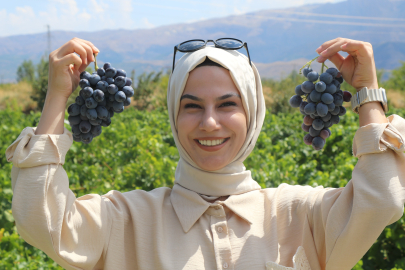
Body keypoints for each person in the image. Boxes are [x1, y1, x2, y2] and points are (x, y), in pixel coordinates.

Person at [5, 37, 405, 270]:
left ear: (253, 115)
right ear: (173, 116)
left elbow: (382, 199)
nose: (209, 123)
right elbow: (42, 221)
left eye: (228, 105)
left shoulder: (300, 213)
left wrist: (368, 93)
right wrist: (57, 97)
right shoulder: (125, 220)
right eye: (192, 105)